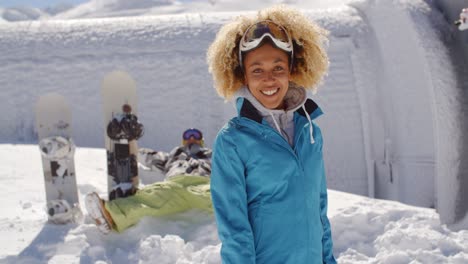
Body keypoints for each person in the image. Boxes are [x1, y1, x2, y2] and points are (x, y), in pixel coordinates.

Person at [206, 5, 336, 263]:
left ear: (291, 68)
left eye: (278, 68)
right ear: (242, 75)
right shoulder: (233, 141)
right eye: (257, 70)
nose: (269, 80)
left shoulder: (310, 131)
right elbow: (234, 228)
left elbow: (319, 208)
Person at [85, 128, 213, 234]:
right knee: (150, 197)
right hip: (174, 185)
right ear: (183, 140)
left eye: (195, 135)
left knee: (218, 196)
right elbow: (149, 156)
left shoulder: (213, 154)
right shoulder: (173, 155)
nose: (191, 138)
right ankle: (110, 215)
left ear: (201, 140)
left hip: (202, 183)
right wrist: (130, 146)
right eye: (188, 135)